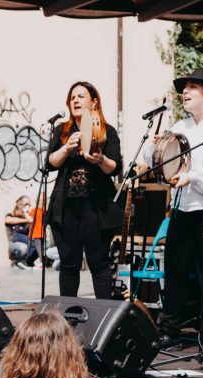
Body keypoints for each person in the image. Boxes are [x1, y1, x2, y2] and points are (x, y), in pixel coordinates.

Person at [145, 68, 203, 349]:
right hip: (182, 211)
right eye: (184, 87)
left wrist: (192, 177)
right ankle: (169, 331)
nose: (186, 91)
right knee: (175, 273)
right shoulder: (180, 128)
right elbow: (158, 161)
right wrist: (153, 147)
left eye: (193, 86)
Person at [47, 82, 122, 300]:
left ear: (94, 102)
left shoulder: (107, 131)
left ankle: (104, 319)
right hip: (66, 206)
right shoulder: (62, 131)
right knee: (69, 263)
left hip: (96, 207)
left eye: (81, 96)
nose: (76, 101)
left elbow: (115, 167)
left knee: (98, 263)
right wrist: (66, 148)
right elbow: (50, 163)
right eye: (72, 98)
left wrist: (100, 159)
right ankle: (68, 318)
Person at [5, 195, 39, 269]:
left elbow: (32, 221)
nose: (27, 206)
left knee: (37, 244)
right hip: (14, 241)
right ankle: (18, 261)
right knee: (24, 247)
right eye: (26, 204)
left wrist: (26, 214)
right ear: (19, 203)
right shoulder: (11, 214)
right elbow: (8, 220)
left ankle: (26, 262)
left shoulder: (27, 215)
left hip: (26, 240)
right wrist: (26, 220)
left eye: (29, 204)